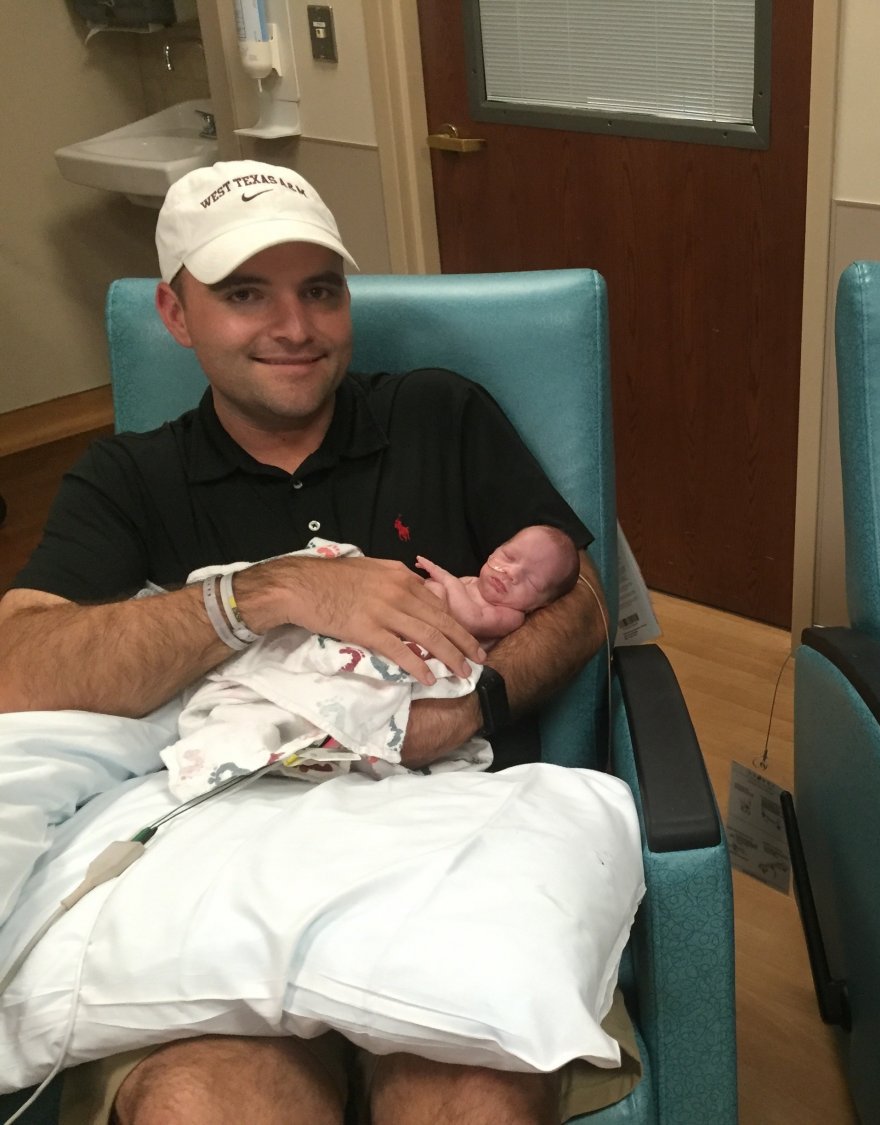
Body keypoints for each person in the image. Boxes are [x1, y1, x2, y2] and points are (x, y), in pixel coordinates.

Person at [0, 161, 626, 1124]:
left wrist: (465, 707)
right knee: (200, 1107)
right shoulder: (130, 477)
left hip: (440, 834)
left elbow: (580, 595)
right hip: (220, 849)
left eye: (320, 291)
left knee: (475, 1101)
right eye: (245, 293)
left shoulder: (437, 412)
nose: (294, 329)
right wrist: (268, 593)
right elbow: (18, 665)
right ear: (176, 313)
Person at [418, 524, 582, 644]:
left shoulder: (511, 616)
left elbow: (470, 620)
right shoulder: (472, 581)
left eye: (531, 581)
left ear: (542, 604)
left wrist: (446, 580)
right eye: (509, 556)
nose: (511, 573)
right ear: (495, 550)